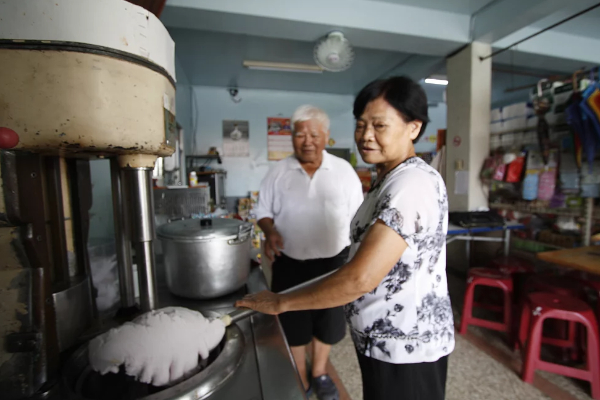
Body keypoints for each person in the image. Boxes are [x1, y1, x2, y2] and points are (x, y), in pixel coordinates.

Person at [238, 77, 454, 400]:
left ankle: (318, 374)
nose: (366, 136)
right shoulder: (387, 180)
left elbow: (361, 277)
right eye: (361, 124)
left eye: (379, 125)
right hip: (384, 342)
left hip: (406, 347)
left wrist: (281, 301)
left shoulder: (411, 185)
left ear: (413, 128)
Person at [254, 105, 364, 400]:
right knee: (292, 320)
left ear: (326, 136)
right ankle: (299, 375)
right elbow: (262, 210)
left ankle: (319, 372)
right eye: (300, 133)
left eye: (314, 134)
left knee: (328, 322)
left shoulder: (343, 171)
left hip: (333, 263)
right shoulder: (278, 171)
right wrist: (270, 231)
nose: (307, 140)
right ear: (292, 137)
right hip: (290, 262)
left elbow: (359, 217)